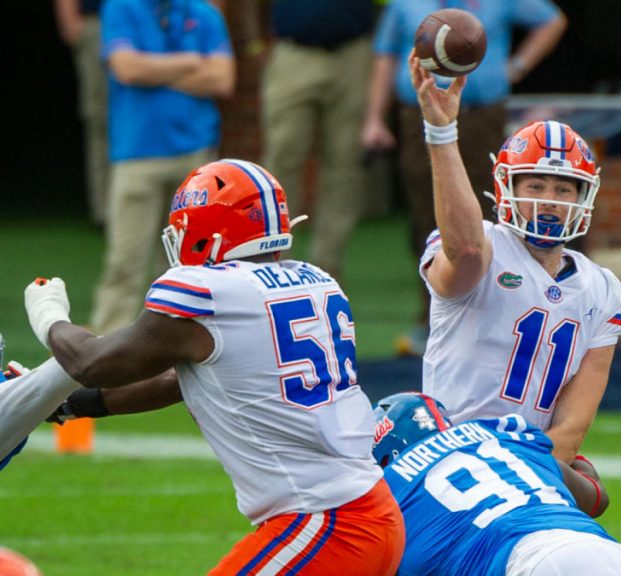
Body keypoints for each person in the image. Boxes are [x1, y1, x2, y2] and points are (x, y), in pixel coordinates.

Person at [21, 159, 404, 574]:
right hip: (371, 511)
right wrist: (70, 405)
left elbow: (93, 362)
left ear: (211, 234)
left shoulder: (211, 292)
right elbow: (181, 381)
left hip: (325, 521)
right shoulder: (315, 280)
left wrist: (49, 317)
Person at [405, 52, 621, 463]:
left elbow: (571, 428)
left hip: (529, 463)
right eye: (536, 186)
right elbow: (467, 251)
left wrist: (526, 477)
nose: (549, 201)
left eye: (563, 189)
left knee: (584, 501)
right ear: (506, 188)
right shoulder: (484, 247)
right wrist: (441, 132)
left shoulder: (604, 290)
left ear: (584, 197)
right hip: (450, 457)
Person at [362, 0, 568, 356]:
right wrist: (374, 118)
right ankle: (432, 319)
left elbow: (552, 20)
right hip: (418, 113)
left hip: (481, 115)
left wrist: (516, 67)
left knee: (492, 213)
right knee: (428, 217)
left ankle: (500, 314)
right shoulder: (405, 3)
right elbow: (386, 54)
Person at [372, 392, 621, 575]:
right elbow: (596, 497)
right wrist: (552, 462)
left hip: (527, 564)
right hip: (617, 555)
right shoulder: (507, 439)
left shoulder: (393, 490)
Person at [90, 0, 235, 337]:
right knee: (125, 261)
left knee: (193, 264)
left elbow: (222, 80)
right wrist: (189, 62)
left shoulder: (204, 13)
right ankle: (106, 347)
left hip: (197, 158)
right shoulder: (120, 8)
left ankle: (184, 344)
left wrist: (152, 71)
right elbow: (127, 69)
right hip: (136, 153)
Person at [236, 0, 377, 281]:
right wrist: (254, 43)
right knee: (281, 160)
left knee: (345, 162)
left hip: (354, 54)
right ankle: (273, 261)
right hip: (293, 52)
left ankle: (327, 266)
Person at [54, 0, 109, 229]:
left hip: (152, 19)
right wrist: (69, 18)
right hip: (97, 22)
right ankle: (104, 211)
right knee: (100, 120)